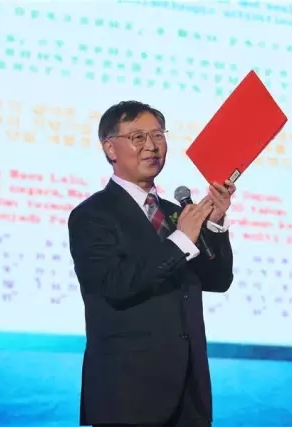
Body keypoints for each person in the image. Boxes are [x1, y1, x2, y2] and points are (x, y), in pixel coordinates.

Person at [67, 101, 236, 427]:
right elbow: (115, 285)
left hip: (189, 395)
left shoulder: (175, 213)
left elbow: (217, 280)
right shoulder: (92, 215)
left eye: (158, 135)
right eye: (138, 137)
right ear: (110, 148)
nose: (152, 146)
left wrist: (215, 222)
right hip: (127, 395)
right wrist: (180, 240)